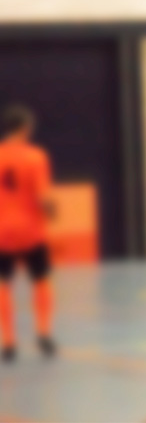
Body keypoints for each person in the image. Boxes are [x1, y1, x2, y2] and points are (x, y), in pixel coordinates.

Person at [0, 104, 56, 363]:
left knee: (3, 284)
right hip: (31, 230)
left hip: (2, 231)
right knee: (41, 279)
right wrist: (52, 213)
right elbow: (44, 197)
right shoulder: (36, 156)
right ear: (25, 128)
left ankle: (9, 341)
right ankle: (43, 333)